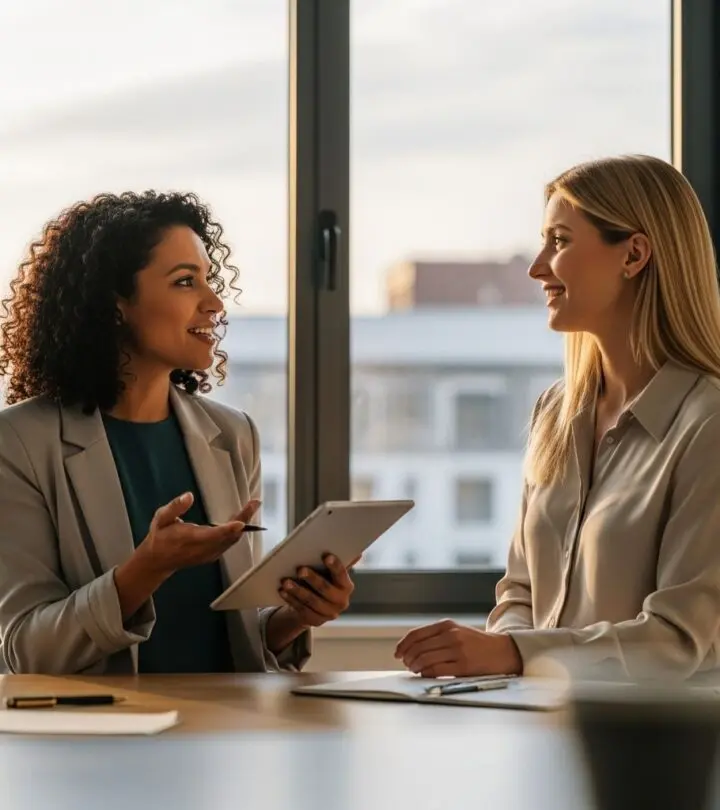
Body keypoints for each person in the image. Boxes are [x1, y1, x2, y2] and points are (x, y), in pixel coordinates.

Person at [0, 191, 355, 675]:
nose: (214, 303)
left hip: (221, 736)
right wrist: (145, 570)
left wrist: (296, 614)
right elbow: (26, 651)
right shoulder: (19, 442)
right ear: (115, 303)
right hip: (98, 738)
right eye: (186, 282)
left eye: (210, 281)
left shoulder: (232, 435)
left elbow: (233, 639)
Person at [396, 154, 720, 681]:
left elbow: (679, 639)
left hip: (656, 747)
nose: (536, 266)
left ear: (634, 254)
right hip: (538, 725)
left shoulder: (707, 424)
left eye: (560, 241)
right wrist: (491, 658)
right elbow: (520, 591)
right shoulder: (556, 412)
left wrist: (510, 655)